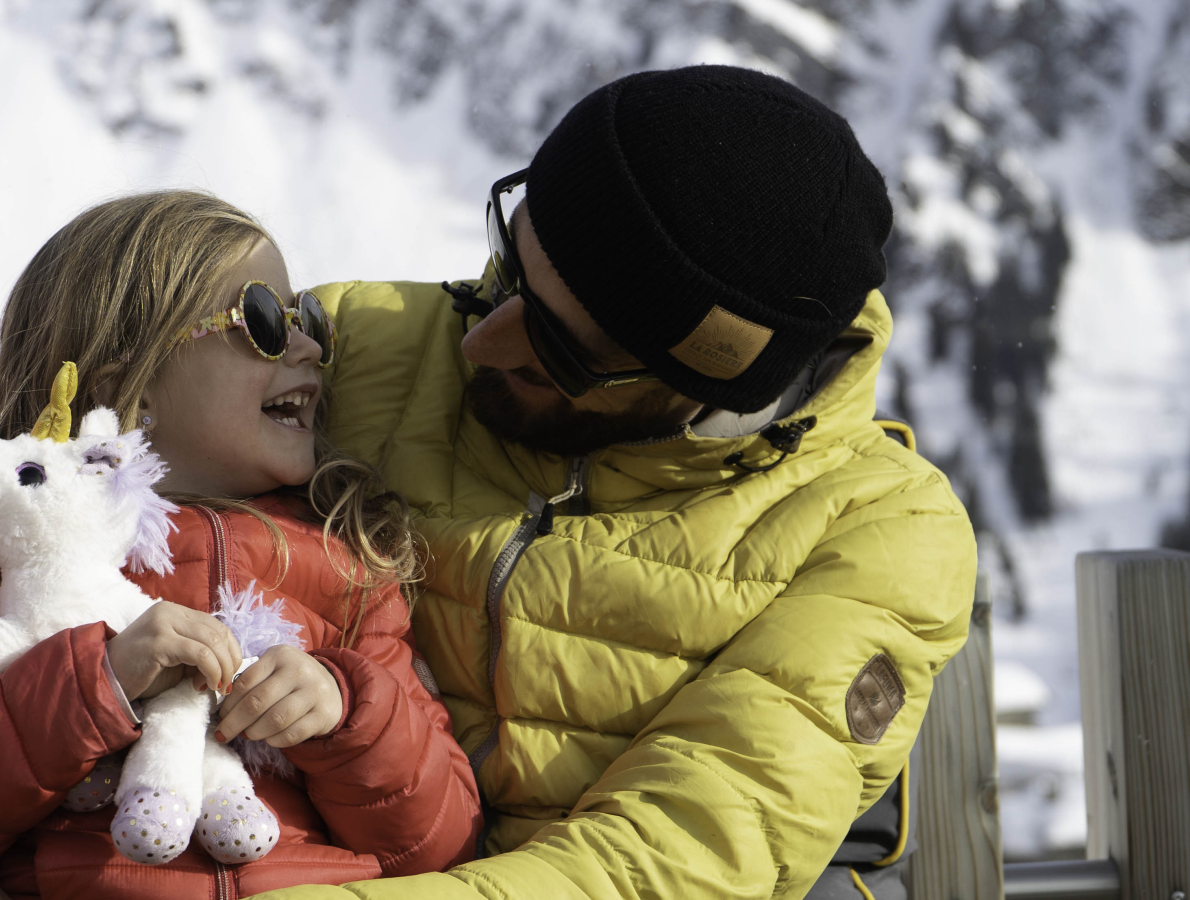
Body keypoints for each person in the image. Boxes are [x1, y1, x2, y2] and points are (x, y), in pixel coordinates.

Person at [248, 65, 978, 899]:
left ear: (705, 387)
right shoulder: (354, 348)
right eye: (507, 268)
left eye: (560, 351)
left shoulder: (876, 529)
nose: (481, 342)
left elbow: (665, 865)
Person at [0, 191, 482, 899]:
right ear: (129, 394)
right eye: (264, 320)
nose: (309, 350)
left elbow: (441, 839)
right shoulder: (4, 547)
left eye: (308, 322)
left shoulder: (346, 560)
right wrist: (95, 684)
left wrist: (346, 712)